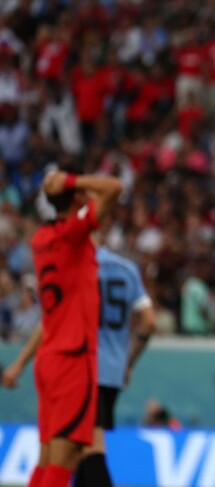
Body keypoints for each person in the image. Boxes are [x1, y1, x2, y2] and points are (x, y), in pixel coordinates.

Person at [3, 245, 156, 487]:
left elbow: (53, 321)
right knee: (78, 451)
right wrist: (128, 362)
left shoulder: (78, 266)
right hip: (113, 370)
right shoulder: (127, 269)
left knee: (81, 449)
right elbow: (148, 321)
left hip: (81, 367)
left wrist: (20, 363)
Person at [24, 170, 122, 487]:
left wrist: (68, 190)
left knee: (47, 458)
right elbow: (113, 188)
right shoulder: (73, 235)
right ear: (77, 201)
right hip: (73, 357)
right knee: (64, 461)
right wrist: (71, 181)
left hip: (49, 356)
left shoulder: (42, 239)